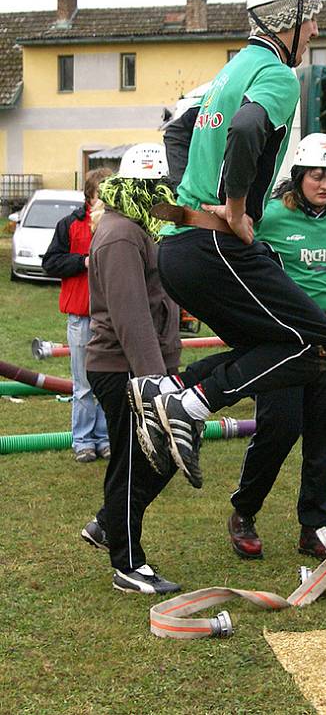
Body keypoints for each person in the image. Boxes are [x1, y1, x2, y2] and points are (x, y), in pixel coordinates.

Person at [128, 0, 326, 489]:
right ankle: (190, 404)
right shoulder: (276, 74)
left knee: (270, 345)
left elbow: (176, 128)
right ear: (286, 21)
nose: (315, 31)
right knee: (318, 341)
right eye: (310, 19)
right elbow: (248, 129)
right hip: (214, 245)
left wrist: (190, 196)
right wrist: (235, 206)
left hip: (183, 246)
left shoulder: (228, 70)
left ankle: (171, 392)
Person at [226, 133, 326, 560]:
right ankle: (244, 511)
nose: (325, 184)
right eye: (317, 176)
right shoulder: (271, 216)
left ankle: (313, 527)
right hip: (285, 338)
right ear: (298, 177)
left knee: (324, 434)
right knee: (280, 428)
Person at [81, 144, 183, 594]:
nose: (166, 199)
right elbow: (130, 316)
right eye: (159, 190)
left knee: (170, 453)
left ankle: (108, 522)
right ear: (138, 188)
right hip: (125, 368)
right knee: (131, 462)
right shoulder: (122, 234)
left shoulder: (140, 227)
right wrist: (154, 379)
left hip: (140, 366)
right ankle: (128, 563)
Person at [42, 168, 112, 463]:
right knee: (83, 383)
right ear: (89, 196)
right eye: (100, 196)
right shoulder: (69, 225)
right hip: (81, 315)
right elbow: (51, 262)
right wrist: (82, 261)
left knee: (108, 380)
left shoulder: (117, 224)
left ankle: (105, 438)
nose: (103, 203)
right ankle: (83, 440)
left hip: (110, 316)